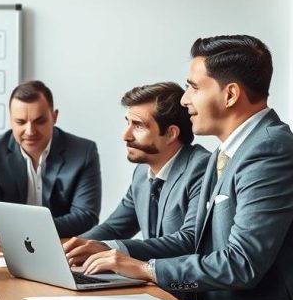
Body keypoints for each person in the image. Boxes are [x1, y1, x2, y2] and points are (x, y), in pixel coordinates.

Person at [80, 35, 293, 300]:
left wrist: (147, 269)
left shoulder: (271, 154)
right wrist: (118, 255)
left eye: (194, 87)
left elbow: (241, 264)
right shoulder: (228, 151)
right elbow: (190, 238)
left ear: (230, 94)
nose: (185, 100)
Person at [63, 82, 210, 265]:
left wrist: (111, 249)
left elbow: (189, 241)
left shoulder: (202, 168)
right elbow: (114, 228)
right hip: (149, 283)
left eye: (138, 126)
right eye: (128, 123)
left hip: (186, 289)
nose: (126, 135)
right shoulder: (142, 172)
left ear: (171, 134)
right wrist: (68, 249)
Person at [0, 80, 101, 242]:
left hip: (62, 247)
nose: (30, 131)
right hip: (7, 250)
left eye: (39, 121)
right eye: (20, 122)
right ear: (10, 119)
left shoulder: (83, 152)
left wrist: (20, 229)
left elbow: (86, 216)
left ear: (54, 117)